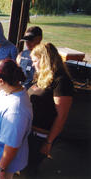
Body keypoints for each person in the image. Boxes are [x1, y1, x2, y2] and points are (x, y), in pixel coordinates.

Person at [26, 43, 74, 177]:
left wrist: (48, 142)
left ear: (45, 59)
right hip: (29, 133)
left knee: (32, 171)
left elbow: (61, 116)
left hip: (41, 137)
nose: (34, 65)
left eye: (35, 61)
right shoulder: (43, 78)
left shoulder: (62, 82)